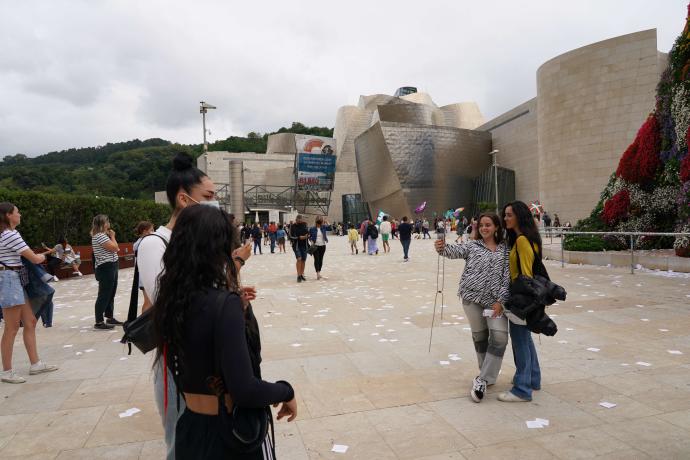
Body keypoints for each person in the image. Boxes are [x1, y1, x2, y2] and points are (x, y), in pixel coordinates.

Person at [152, 205, 296, 459]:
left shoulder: (171, 299)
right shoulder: (222, 303)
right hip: (226, 434)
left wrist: (232, 308)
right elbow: (245, 390)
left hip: (190, 427)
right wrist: (286, 390)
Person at [137, 152, 253, 460]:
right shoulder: (155, 244)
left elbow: (206, 294)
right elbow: (177, 305)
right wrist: (237, 262)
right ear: (184, 200)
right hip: (180, 360)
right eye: (209, 197)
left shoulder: (199, 243)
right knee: (181, 438)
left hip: (209, 358)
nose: (215, 203)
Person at [435, 212, 510, 403]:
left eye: (488, 225)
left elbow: (507, 278)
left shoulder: (505, 250)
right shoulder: (473, 245)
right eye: (481, 225)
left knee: (500, 337)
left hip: (495, 302)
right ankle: (486, 376)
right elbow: (453, 251)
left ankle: (482, 379)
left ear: (496, 228)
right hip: (471, 299)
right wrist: (441, 248)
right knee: (480, 337)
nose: (484, 228)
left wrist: (500, 301)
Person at [0, 202, 59, 384]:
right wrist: (46, 255)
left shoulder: (7, 234)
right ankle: (6, 371)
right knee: (11, 328)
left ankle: (36, 364)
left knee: (30, 321)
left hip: (13, 279)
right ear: (9, 215)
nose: (20, 215)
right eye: (18, 212)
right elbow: (33, 258)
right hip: (9, 279)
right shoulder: (10, 234)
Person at [499, 201, 543, 402]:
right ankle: (533, 378)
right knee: (526, 338)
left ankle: (522, 389)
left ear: (520, 216)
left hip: (522, 298)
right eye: (505, 215)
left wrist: (520, 301)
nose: (506, 218)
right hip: (527, 297)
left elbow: (526, 274)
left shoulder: (522, 241)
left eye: (509, 215)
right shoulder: (527, 238)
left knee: (519, 341)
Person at [91, 214, 123, 330]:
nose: (108, 223)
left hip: (111, 265)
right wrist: (113, 237)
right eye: (106, 221)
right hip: (106, 266)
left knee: (111, 292)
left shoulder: (102, 235)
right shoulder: (100, 236)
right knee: (104, 294)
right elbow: (115, 248)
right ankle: (99, 321)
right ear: (101, 224)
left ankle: (109, 317)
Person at [133, 221, 154, 311]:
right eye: (152, 230)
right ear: (145, 231)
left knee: (149, 301)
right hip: (145, 276)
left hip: (143, 276)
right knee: (148, 301)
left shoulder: (138, 242)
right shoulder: (144, 242)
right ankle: (144, 323)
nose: (154, 232)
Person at [289, 215, 309, 282]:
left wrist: (307, 236)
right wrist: (299, 237)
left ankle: (302, 274)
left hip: (304, 245)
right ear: (296, 219)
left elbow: (308, 233)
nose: (300, 221)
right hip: (296, 245)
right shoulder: (293, 226)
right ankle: (298, 275)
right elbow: (290, 236)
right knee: (299, 258)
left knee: (303, 260)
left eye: (301, 220)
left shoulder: (304, 225)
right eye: (299, 220)